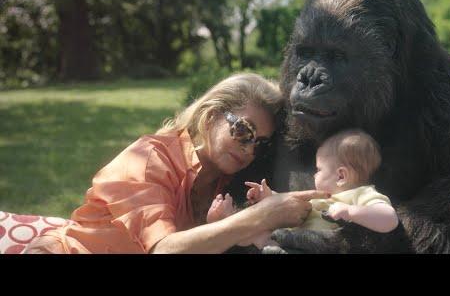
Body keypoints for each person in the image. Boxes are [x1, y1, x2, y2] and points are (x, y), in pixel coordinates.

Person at [25, 73, 325, 254]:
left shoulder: (224, 179)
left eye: (260, 143)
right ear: (211, 116)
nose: (249, 149)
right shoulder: (148, 160)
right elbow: (165, 248)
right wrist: (263, 215)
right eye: (244, 131)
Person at [207, 129, 399, 249]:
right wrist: (270, 196)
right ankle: (229, 220)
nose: (314, 175)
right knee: (256, 230)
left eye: (318, 170)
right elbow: (291, 206)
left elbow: (389, 219)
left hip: (319, 246)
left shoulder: (362, 194)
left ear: (341, 176)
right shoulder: (321, 198)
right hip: (290, 241)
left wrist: (351, 211)